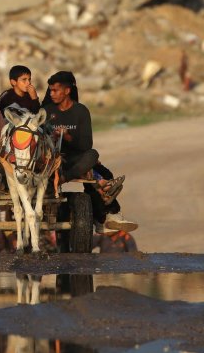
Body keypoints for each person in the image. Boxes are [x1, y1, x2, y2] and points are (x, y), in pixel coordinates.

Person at [42, 71, 135, 232]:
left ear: (67, 91)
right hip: (52, 161)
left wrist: (67, 136)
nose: (51, 94)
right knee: (97, 175)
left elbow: (86, 145)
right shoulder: (46, 111)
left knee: (93, 156)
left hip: (75, 160)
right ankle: (107, 216)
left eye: (55, 90)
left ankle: (65, 180)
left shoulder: (81, 111)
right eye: (50, 90)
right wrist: (52, 136)